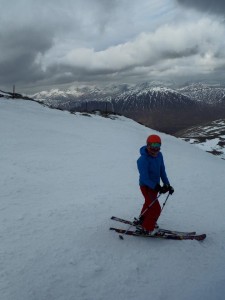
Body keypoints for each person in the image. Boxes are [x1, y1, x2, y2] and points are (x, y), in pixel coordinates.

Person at [136, 134, 174, 235]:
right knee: (155, 208)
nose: (155, 149)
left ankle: (142, 219)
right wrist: (156, 186)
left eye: (158, 146)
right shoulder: (142, 160)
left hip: (154, 186)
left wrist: (167, 185)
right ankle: (147, 228)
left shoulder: (159, 155)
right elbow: (144, 178)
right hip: (146, 186)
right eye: (153, 146)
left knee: (149, 203)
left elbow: (162, 171)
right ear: (148, 146)